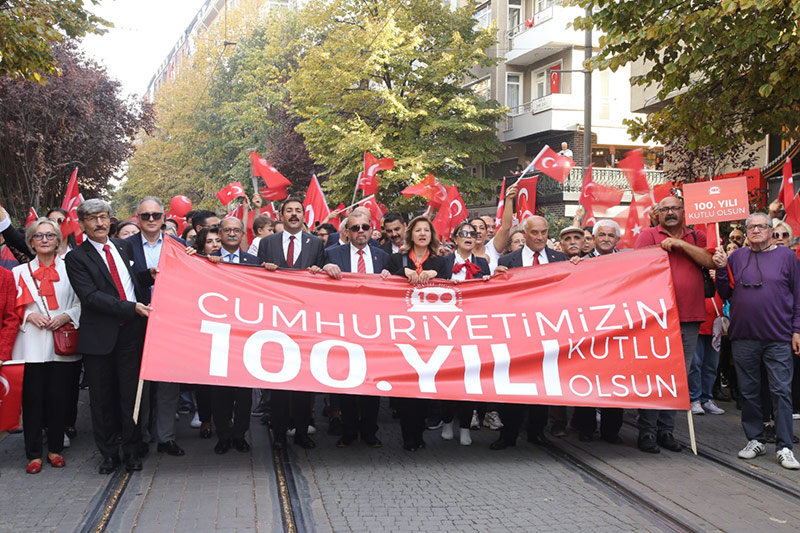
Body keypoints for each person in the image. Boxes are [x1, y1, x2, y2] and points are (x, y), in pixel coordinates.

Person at [65, 199, 155, 474]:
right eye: (92, 219)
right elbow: (91, 297)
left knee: (131, 396)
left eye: (103, 217)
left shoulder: (122, 246)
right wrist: (131, 307)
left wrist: (148, 275)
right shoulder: (76, 258)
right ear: (82, 224)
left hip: (131, 333)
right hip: (100, 338)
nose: (100, 223)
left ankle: (131, 450)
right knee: (103, 399)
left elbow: (129, 281)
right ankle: (108, 454)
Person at [714, 213, 800, 469]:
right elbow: (725, 293)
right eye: (750, 227)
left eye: (760, 227)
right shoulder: (736, 256)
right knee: (749, 392)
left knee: (781, 392)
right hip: (744, 337)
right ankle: (755, 439)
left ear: (770, 230)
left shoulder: (786, 257)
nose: (754, 231)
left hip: (779, 336)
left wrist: (797, 329)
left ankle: (785, 446)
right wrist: (720, 269)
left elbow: (798, 295)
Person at [634, 195, 714, 454]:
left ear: (683, 212)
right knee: (654, 374)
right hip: (657, 317)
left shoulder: (697, 237)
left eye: (674, 208)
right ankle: (646, 431)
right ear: (657, 214)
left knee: (678, 377)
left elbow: (709, 261)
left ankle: (666, 430)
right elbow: (638, 269)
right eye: (664, 209)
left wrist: (679, 244)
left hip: (689, 317)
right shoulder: (647, 235)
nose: (670, 213)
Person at [490, 215, 567, 450]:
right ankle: (508, 434)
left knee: (542, 383)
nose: (541, 237)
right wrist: (495, 279)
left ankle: (537, 432)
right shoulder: (508, 261)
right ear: (525, 234)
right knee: (512, 383)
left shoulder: (560, 259)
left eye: (544, 232)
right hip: (516, 334)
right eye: (535, 233)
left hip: (546, 332)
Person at [11, 219, 81, 474]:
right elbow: (10, 308)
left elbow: (82, 302)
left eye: (50, 235)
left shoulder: (72, 269)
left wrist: (66, 316)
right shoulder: (18, 273)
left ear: (58, 240)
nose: (44, 240)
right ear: (30, 242)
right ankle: (32, 454)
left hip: (61, 344)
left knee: (58, 400)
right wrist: (29, 316)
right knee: (32, 401)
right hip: (30, 345)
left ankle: (55, 450)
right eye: (38, 236)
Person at [258, 196, 326, 450]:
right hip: (276, 320)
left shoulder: (316, 243)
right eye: (289, 211)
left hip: (305, 321)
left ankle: (301, 432)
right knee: (278, 382)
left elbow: (320, 280)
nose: (294, 214)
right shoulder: (267, 243)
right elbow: (255, 278)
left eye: (298, 210)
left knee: (303, 382)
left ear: (303, 215)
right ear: (281, 215)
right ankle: (278, 433)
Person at [321, 211, 390, 448]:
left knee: (372, 382)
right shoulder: (331, 254)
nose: (360, 231)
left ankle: (370, 431)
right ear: (346, 232)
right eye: (355, 228)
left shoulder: (383, 256)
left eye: (365, 227)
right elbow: (312, 281)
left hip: (374, 328)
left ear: (371, 230)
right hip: (344, 328)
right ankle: (349, 431)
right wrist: (324, 269)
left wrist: (390, 277)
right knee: (347, 380)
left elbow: (393, 289)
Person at [127, 197, 185, 458]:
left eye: (156, 215)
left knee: (167, 384)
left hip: (170, 324)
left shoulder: (180, 246)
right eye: (146, 215)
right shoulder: (123, 247)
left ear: (164, 217)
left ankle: (166, 437)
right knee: (138, 384)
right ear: (137, 218)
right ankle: (139, 436)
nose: (151, 219)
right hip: (135, 321)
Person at [388, 216, 448, 451]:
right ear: (410, 234)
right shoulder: (397, 259)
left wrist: (435, 276)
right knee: (406, 386)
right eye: (418, 230)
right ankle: (407, 435)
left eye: (426, 230)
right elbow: (385, 282)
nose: (422, 234)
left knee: (424, 384)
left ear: (431, 235)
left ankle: (419, 433)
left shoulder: (440, 261)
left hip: (429, 330)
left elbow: (450, 288)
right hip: (404, 329)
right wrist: (401, 273)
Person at [208, 217, 259, 454]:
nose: (231, 233)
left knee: (244, 392)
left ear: (242, 235)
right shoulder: (207, 261)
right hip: (217, 334)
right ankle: (223, 435)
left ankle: (240, 435)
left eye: (236, 230)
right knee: (220, 392)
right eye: (227, 230)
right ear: (219, 234)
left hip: (244, 336)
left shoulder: (253, 261)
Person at [572, 218, 624, 443]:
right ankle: (586, 427)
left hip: (618, 330)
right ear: (592, 239)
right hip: (588, 330)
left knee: (615, 381)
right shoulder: (579, 264)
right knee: (587, 379)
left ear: (617, 240)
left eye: (610, 236)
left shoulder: (629, 262)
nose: (605, 239)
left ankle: (611, 431)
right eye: (601, 235)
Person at [440, 221, 491, 446]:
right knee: (448, 378)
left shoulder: (483, 264)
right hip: (446, 329)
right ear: (455, 239)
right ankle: (447, 421)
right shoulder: (443, 262)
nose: (469, 237)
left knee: (470, 379)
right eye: (464, 233)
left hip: (472, 329)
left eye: (473, 233)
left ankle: (465, 426)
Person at [689, 291, 726, 416]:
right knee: (695, 364)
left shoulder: (720, 274)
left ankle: (706, 398)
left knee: (711, 365)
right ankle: (694, 398)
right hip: (696, 323)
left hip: (714, 326)